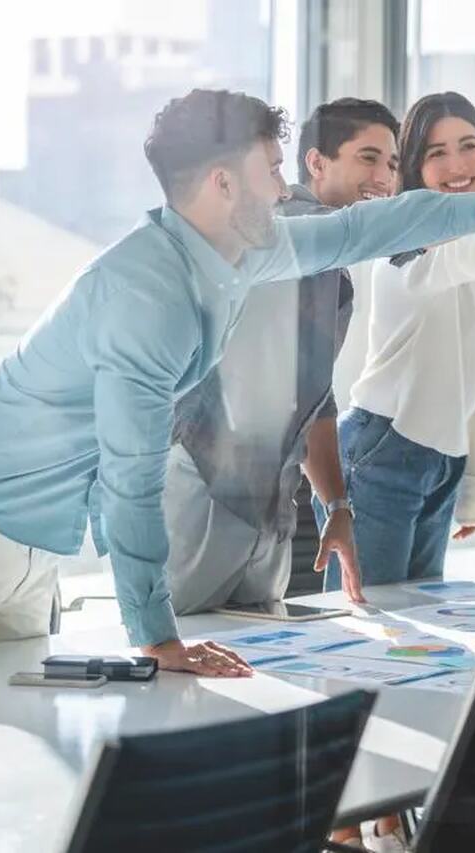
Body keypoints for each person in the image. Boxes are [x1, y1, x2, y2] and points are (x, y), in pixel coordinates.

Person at [0, 88, 475, 677]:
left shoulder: (238, 252)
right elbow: (133, 478)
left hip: (31, 538)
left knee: (7, 727)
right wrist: (159, 640)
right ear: (223, 184)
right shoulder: (148, 295)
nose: (284, 184)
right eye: (271, 168)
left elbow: (364, 231)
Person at [162, 97, 401, 618]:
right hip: (208, 483)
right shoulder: (285, 229)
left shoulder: (329, 264)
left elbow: (311, 394)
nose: (384, 177)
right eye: (368, 158)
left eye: (392, 163)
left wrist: (336, 504)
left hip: (270, 497)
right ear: (316, 163)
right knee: (179, 650)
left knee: (253, 656)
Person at [315, 92, 475, 592]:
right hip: (383, 449)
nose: (457, 165)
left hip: (440, 462)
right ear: (414, 167)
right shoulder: (401, 243)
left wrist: (469, 484)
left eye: (469, 145)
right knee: (364, 633)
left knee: (417, 628)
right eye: (436, 153)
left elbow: (465, 380)